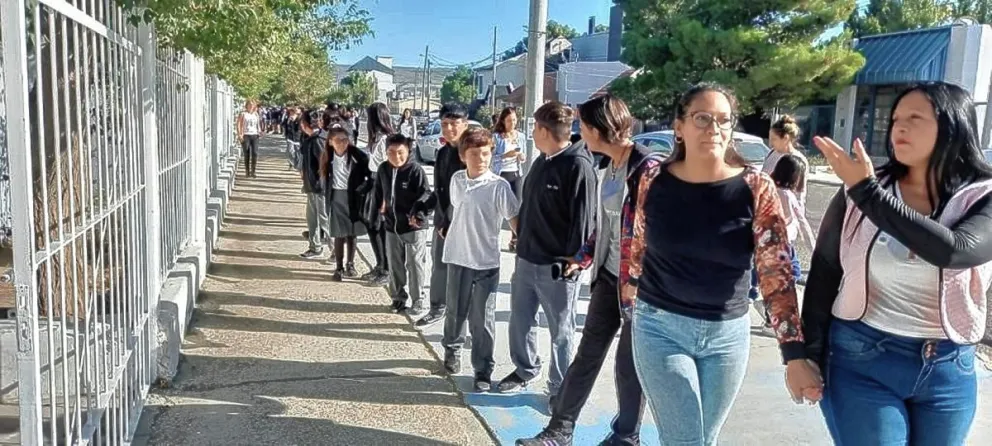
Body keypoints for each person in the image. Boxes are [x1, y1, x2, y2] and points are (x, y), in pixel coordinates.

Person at [625, 83, 820, 445]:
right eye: (701, 118)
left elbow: (775, 272)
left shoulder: (756, 187)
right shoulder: (652, 179)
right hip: (660, 328)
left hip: (727, 335)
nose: (713, 128)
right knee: (687, 441)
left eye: (723, 120)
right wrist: (631, 282)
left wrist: (793, 352)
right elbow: (639, 239)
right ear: (679, 126)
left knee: (705, 439)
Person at [802, 82, 992, 446]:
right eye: (895, 119)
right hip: (862, 360)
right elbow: (826, 271)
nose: (898, 128)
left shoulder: (983, 196)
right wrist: (803, 355)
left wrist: (867, 192)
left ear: (953, 125)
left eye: (915, 118)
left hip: (949, 369)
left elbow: (957, 250)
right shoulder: (860, 190)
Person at [515, 95, 657, 446]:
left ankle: (626, 436)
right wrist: (582, 256)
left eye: (581, 126)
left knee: (628, 366)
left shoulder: (647, 170)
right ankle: (559, 430)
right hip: (609, 279)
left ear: (595, 130)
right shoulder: (608, 167)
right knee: (588, 354)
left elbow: (652, 234)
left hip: (640, 288)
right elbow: (605, 225)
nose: (578, 132)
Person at [497, 102, 597, 407]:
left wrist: (574, 261)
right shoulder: (541, 161)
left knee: (561, 331)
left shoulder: (578, 166)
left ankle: (559, 388)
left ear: (543, 130)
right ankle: (526, 368)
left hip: (558, 267)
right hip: (528, 258)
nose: (530, 132)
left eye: (533, 127)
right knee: (521, 320)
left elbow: (585, 219)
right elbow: (529, 206)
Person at [440, 128, 520, 392]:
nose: (481, 159)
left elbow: (514, 220)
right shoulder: (457, 180)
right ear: (464, 156)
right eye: (475, 154)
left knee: (482, 318)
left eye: (486, 153)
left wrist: (524, 243)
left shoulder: (499, 186)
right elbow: (455, 207)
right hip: (457, 256)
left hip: (486, 262)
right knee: (455, 311)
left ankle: (483, 369)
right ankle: (452, 350)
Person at [413, 104, 470, 326]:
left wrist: (451, 218)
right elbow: (440, 190)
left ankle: (462, 317)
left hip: (464, 222)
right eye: (445, 124)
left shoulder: (470, 154)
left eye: (454, 124)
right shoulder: (443, 152)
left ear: (464, 124)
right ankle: (437, 307)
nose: (448, 129)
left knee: (464, 274)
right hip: (442, 221)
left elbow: (467, 193)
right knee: (439, 266)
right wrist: (422, 207)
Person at [750, 115, 811, 314]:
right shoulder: (771, 155)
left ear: (786, 138)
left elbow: (800, 194)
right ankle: (764, 301)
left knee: (782, 268)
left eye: (774, 139)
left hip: (785, 226)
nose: (771, 143)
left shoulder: (797, 161)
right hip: (766, 218)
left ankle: (769, 304)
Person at [373, 134, 432, 313]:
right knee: (395, 264)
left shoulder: (415, 170)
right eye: (391, 152)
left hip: (414, 227)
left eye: (400, 152)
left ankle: (417, 299)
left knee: (415, 264)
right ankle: (398, 297)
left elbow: (426, 195)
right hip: (392, 226)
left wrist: (418, 214)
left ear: (408, 151)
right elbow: (378, 193)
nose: (396, 157)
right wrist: (380, 208)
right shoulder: (383, 169)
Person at [321, 126, 374, 281]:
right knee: (339, 233)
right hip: (337, 196)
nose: (343, 143)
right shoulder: (328, 156)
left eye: (345, 140)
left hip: (353, 196)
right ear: (331, 142)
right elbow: (325, 178)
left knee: (352, 232)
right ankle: (339, 267)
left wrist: (362, 190)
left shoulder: (357, 155)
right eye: (338, 140)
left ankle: (350, 263)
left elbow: (370, 175)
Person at [362, 103, 395, 285]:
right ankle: (380, 263)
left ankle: (387, 269)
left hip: (383, 184)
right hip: (373, 182)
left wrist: (385, 197)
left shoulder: (387, 140)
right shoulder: (376, 138)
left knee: (381, 228)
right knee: (371, 226)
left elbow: (389, 168)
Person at [771, 154, 815, 280]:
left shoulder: (770, 188)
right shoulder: (788, 196)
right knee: (793, 272)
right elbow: (802, 222)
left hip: (764, 240)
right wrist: (813, 249)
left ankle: (754, 292)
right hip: (783, 243)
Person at [492, 107, 526, 251]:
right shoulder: (497, 137)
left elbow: (523, 157)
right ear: (503, 121)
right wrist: (506, 155)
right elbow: (491, 158)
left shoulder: (521, 136)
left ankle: (515, 238)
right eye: (509, 120)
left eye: (514, 120)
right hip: (501, 173)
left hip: (515, 173)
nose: (512, 123)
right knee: (498, 206)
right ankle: (494, 236)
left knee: (517, 206)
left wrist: (520, 156)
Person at [298, 109, 329, 259]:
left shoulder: (318, 141)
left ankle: (337, 251)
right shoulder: (311, 139)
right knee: (312, 218)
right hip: (312, 186)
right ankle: (315, 246)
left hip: (320, 187)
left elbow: (325, 166)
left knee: (324, 219)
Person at [237, 100, 262, 178]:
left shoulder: (256, 114)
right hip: (246, 135)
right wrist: (239, 135)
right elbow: (238, 124)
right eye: (249, 105)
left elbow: (258, 124)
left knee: (255, 153)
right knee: (247, 153)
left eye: (252, 105)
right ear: (246, 105)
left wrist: (259, 131)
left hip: (255, 135)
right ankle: (247, 171)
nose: (251, 106)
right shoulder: (243, 114)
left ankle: (253, 171)